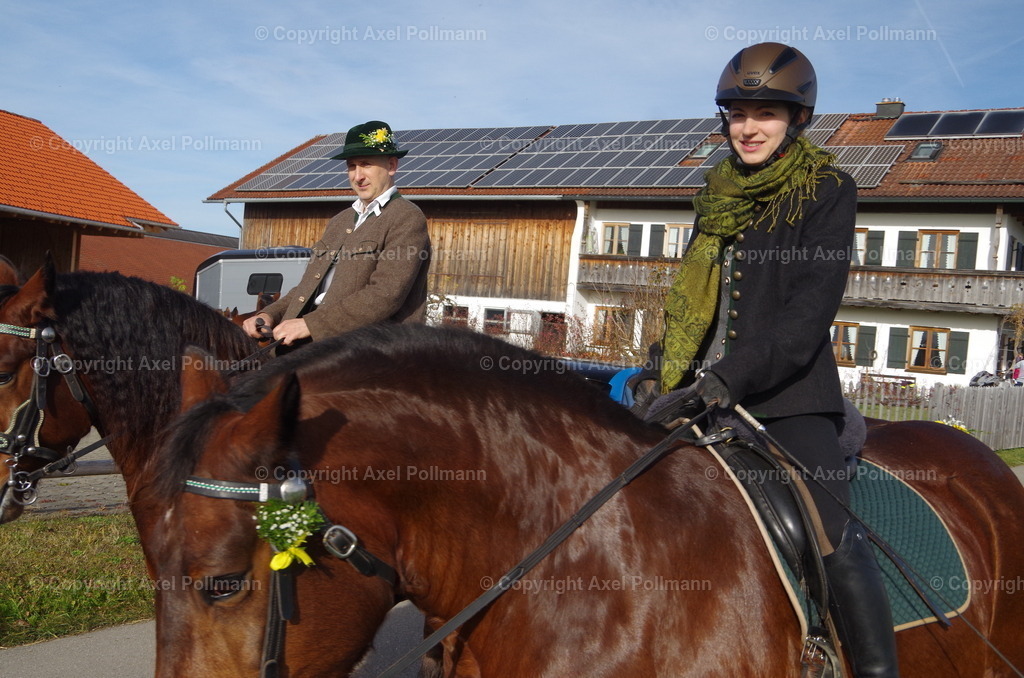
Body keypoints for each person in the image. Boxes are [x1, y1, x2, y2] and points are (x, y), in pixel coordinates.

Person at [646, 43, 898, 676]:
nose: (749, 128)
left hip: (787, 398)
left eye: (765, 114)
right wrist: (661, 368)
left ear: (798, 119)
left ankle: (873, 666)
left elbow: (805, 318)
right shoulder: (716, 193)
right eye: (737, 114)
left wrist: (725, 379)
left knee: (829, 524)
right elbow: (694, 307)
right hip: (698, 394)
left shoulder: (828, 190)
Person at [243, 121, 431, 348]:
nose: (358, 176)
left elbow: (385, 294)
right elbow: (306, 288)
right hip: (315, 340)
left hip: (368, 348)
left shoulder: (406, 217)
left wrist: (311, 325)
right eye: (352, 166)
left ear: (391, 165)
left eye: (366, 164)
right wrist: (269, 314)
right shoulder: (339, 221)